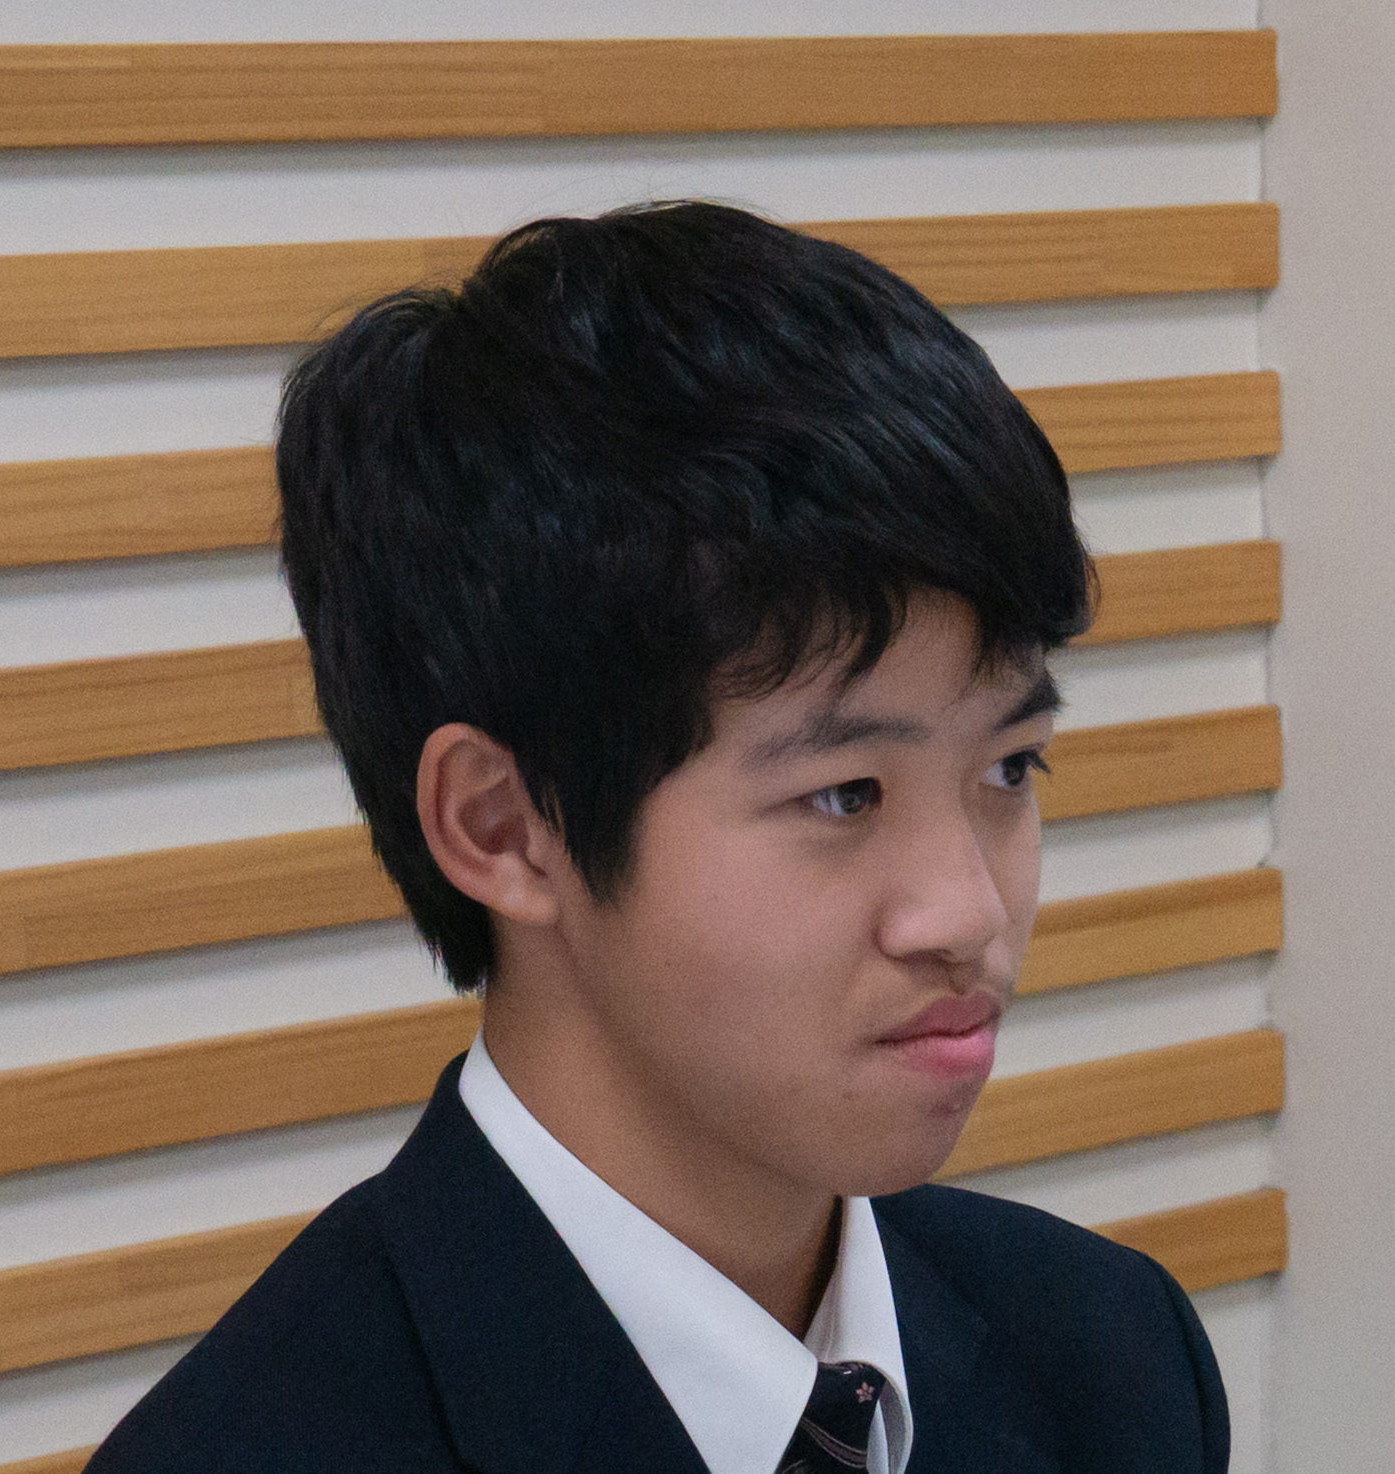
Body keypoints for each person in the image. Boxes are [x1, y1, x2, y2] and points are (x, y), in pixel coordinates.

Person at [83, 202, 1229, 1473]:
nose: (969, 911)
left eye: (1009, 767)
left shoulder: (1109, 1356)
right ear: (502, 826)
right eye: (845, 794)